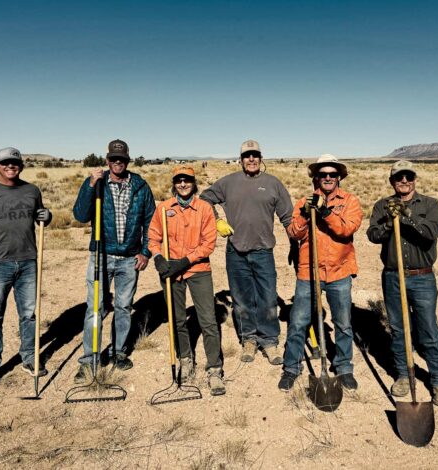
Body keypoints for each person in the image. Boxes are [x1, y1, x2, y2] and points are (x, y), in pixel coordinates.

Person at [200, 140, 293, 365]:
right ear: (241, 159)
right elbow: (204, 198)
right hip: (236, 251)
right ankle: (249, 339)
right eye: (247, 156)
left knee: (268, 297)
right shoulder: (229, 182)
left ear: (261, 158)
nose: (251, 159)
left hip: (263, 251)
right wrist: (217, 220)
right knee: (241, 299)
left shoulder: (273, 184)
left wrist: (296, 245)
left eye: (255, 155)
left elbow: (288, 217)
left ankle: (269, 341)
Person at [366, 160, 438, 406]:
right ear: (392, 181)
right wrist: (388, 223)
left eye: (408, 177)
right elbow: (372, 235)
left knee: (428, 330)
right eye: (399, 177)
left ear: (414, 179)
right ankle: (403, 374)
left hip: (422, 277)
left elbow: (431, 233)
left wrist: (406, 216)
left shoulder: (430, 204)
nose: (404, 181)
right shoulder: (382, 205)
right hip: (394, 277)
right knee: (399, 329)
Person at [0, 147, 52, 388]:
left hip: (28, 262)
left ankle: (29, 357)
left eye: (14, 163)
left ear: (21, 166)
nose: (10, 166)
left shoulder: (32, 190)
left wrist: (47, 216)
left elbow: (39, 217)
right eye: (5, 163)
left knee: (29, 315)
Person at [72, 139, 155, 383]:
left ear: (128, 160)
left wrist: (146, 252)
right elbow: (80, 215)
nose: (117, 163)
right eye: (113, 159)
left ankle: (119, 352)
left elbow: (151, 221)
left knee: (123, 307)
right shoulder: (97, 185)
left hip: (130, 258)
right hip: (101, 256)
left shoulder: (140, 186)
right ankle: (90, 360)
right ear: (107, 160)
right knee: (95, 308)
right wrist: (90, 185)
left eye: (122, 159)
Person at [279, 155, 362, 391]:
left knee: (343, 323)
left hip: (339, 271)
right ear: (316, 177)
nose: (327, 178)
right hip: (309, 271)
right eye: (323, 174)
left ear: (339, 178)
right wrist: (306, 215)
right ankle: (291, 368)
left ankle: (344, 367)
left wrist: (325, 212)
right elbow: (294, 233)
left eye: (332, 174)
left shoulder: (349, 202)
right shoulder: (302, 203)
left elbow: (346, 230)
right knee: (298, 322)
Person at [148, 165, 226, 396]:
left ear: (194, 183)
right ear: (174, 183)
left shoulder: (204, 208)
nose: (183, 184)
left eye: (188, 180)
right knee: (177, 319)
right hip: (171, 272)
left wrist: (185, 260)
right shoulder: (163, 208)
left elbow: (208, 243)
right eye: (179, 180)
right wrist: (159, 257)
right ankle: (185, 358)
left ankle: (214, 369)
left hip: (198, 270)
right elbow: (153, 237)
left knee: (208, 320)